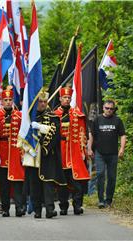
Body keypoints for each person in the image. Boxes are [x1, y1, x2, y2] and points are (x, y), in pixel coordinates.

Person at [20, 91, 67, 218]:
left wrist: (40, 129)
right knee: (34, 185)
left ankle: (50, 209)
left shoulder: (53, 117)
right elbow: (22, 135)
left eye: (44, 102)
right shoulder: (28, 118)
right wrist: (29, 149)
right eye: (40, 102)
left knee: (48, 183)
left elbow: (55, 134)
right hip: (33, 156)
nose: (42, 104)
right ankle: (37, 210)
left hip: (47, 155)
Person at [54, 86, 90, 215]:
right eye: (65, 97)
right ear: (60, 98)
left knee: (77, 182)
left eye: (69, 98)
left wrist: (83, 150)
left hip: (74, 153)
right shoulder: (54, 115)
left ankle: (77, 205)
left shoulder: (77, 114)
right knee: (62, 183)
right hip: (61, 152)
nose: (67, 100)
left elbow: (82, 133)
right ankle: (63, 206)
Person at [0, 87, 25, 217]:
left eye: (10, 100)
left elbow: (23, 135)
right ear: (2, 101)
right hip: (3, 151)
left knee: (18, 181)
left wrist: (23, 153)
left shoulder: (19, 116)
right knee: (4, 183)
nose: (8, 102)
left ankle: (19, 207)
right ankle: (5, 208)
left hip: (16, 151)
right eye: (5, 100)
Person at [88, 99, 126, 209]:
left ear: (114, 110)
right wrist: (89, 148)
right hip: (100, 152)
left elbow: (123, 135)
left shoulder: (117, 120)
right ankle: (100, 200)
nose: (109, 110)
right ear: (103, 108)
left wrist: (122, 149)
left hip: (113, 153)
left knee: (112, 177)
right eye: (107, 108)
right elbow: (91, 135)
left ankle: (108, 200)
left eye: (111, 109)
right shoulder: (97, 120)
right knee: (100, 174)